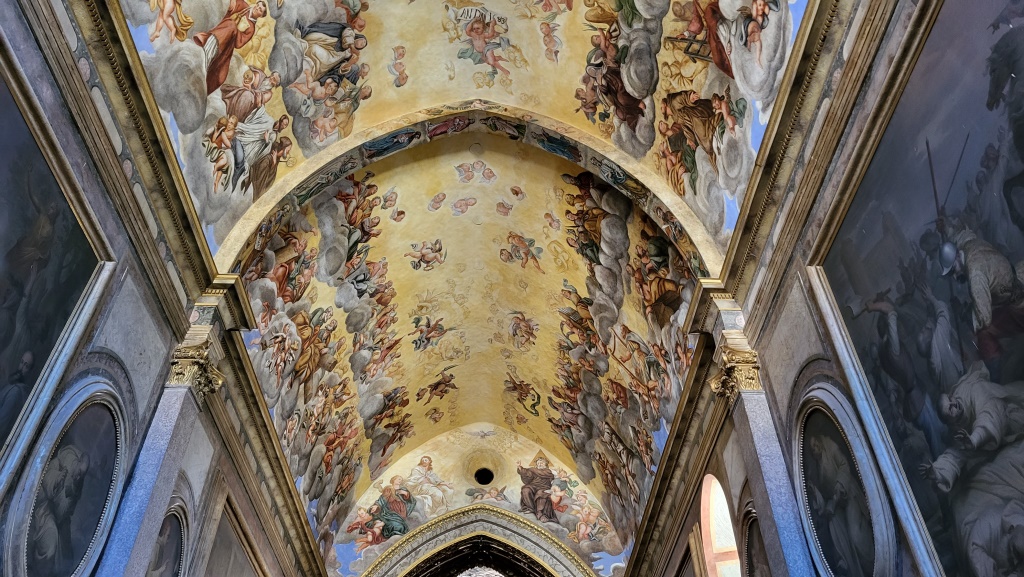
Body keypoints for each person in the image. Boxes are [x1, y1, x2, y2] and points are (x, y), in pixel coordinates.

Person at [28, 444, 90, 577]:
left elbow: (63, 510)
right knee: (50, 545)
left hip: (58, 518)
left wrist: (69, 492)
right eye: (79, 473)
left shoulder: (75, 488)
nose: (78, 478)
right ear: (76, 464)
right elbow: (46, 476)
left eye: (81, 476)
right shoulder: (65, 459)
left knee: (66, 554)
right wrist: (57, 480)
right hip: (44, 509)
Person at [192, 0, 268, 95]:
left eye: (260, 9)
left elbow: (238, 44)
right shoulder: (244, 6)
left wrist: (235, 30)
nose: (257, 8)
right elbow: (232, 6)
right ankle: (206, 55)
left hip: (227, 46)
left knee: (219, 74)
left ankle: (201, 88)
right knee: (230, 25)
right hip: (219, 31)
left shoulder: (251, 29)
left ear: (261, 15)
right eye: (257, 5)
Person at [517, 456, 557, 522]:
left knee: (541, 493)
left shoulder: (548, 471)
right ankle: (530, 508)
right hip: (533, 486)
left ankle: (540, 512)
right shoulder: (533, 471)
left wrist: (531, 469)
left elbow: (541, 473)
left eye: (541, 463)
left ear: (545, 464)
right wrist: (520, 468)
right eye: (538, 463)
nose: (539, 464)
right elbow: (527, 475)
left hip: (544, 487)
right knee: (526, 489)